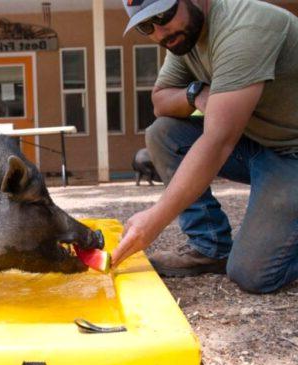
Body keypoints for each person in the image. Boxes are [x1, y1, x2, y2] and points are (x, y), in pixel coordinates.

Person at [112, 0, 298, 294]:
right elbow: (160, 102)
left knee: (253, 274)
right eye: (146, 26)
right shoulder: (184, 37)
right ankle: (210, 248)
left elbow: (218, 141)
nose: (160, 31)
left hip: (292, 153)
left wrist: (155, 219)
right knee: (164, 133)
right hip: (259, 143)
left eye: (164, 14)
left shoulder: (244, 27)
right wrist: (195, 93)